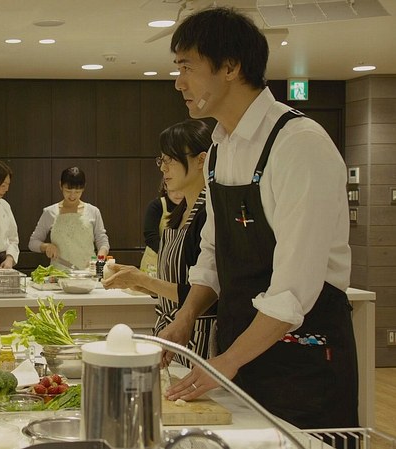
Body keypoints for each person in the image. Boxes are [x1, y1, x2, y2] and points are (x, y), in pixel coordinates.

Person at [160, 7, 357, 430]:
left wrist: (227, 361)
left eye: (187, 67)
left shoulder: (298, 144)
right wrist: (186, 316)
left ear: (230, 67)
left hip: (302, 364)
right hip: (241, 357)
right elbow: (213, 252)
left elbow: (292, 290)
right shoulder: (220, 149)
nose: (179, 82)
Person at [103, 120, 216, 366]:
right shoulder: (180, 211)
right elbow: (177, 285)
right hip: (170, 331)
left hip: (198, 337)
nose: (164, 168)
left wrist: (143, 279)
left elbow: (205, 293)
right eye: (162, 160)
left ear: (201, 160)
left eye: (171, 159)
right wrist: (138, 283)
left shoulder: (209, 213)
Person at [28, 167, 109, 270]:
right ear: (60, 185)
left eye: (77, 192)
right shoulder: (50, 212)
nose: (72, 196)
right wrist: (46, 246)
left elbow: (102, 241)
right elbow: (33, 242)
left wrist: (99, 259)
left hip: (88, 272)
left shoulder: (93, 211)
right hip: (59, 273)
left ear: (84, 188)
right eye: (68, 191)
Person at [140, 181, 185, 274]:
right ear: (165, 187)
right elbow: (151, 237)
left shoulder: (192, 207)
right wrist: (170, 255)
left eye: (181, 189)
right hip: (155, 262)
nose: (178, 194)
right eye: (173, 190)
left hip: (182, 262)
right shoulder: (157, 206)